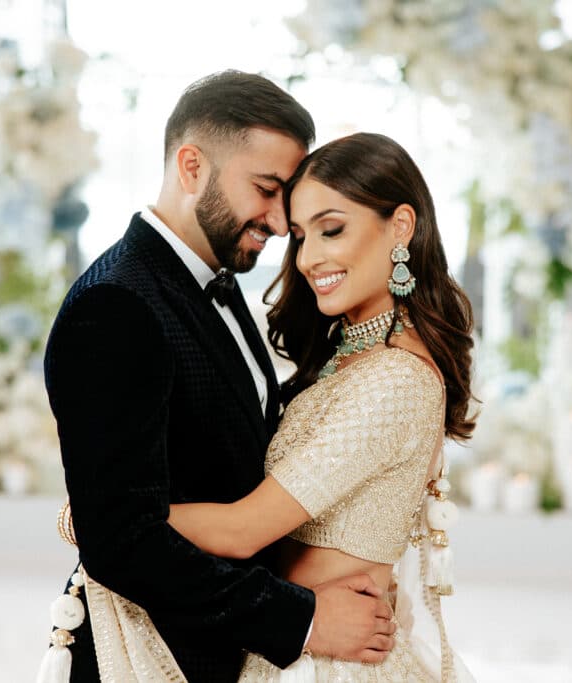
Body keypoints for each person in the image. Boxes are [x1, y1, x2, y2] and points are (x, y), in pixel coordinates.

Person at [40, 72, 397, 683]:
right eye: (266, 189)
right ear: (191, 167)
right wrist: (304, 619)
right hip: (149, 655)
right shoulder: (117, 305)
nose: (283, 222)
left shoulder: (220, 284)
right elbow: (123, 542)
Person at [167, 132, 478, 681]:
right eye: (301, 237)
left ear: (400, 227)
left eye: (332, 229)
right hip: (305, 641)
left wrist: (103, 520)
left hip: (330, 663)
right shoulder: (353, 355)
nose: (310, 259)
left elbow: (245, 531)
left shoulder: (396, 378)